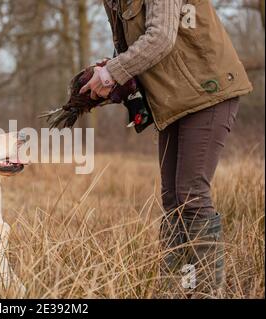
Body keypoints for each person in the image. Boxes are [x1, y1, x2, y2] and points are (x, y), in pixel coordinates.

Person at [80, 0, 252, 297]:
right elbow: (131, 50)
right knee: (173, 198)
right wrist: (111, 81)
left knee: (191, 195)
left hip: (207, 91)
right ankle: (177, 287)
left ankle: (206, 291)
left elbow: (160, 37)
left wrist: (112, 73)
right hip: (173, 99)